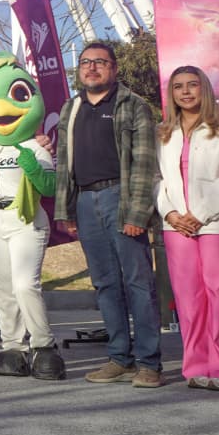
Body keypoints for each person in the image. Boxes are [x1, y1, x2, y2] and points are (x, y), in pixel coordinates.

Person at [55, 41, 163, 388]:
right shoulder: (71, 108)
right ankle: (120, 359)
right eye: (86, 62)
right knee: (105, 284)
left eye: (100, 62)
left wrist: (137, 213)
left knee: (138, 283)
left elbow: (144, 162)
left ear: (114, 69)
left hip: (122, 196)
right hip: (86, 201)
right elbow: (64, 162)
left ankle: (149, 363)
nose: (92, 67)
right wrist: (67, 208)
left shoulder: (133, 105)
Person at [0, 53, 65, 381]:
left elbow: (49, 187)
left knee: (25, 285)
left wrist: (34, 169)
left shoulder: (35, 147)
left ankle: (44, 344)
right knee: (2, 287)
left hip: (26, 219)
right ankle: (13, 346)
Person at [154, 65, 219, 391]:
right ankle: (196, 367)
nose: (185, 91)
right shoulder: (164, 132)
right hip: (176, 225)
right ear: (172, 94)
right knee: (188, 299)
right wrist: (170, 213)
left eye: (192, 85)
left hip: (218, 223)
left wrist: (201, 213)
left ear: (203, 89)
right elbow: (156, 179)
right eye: (178, 86)